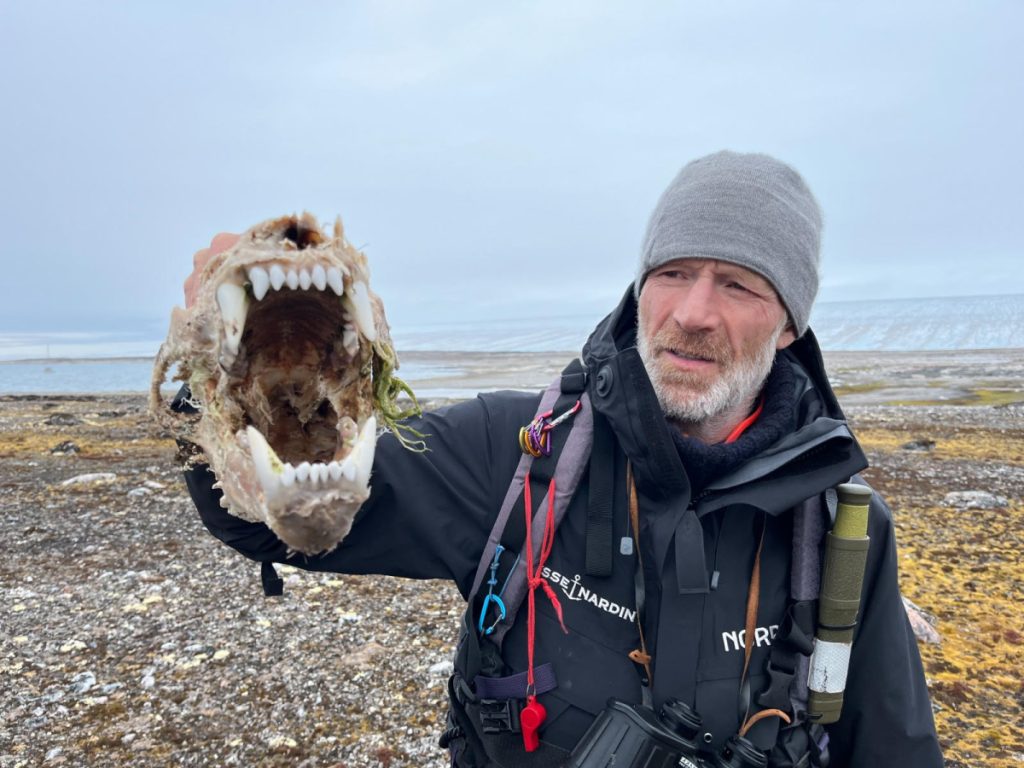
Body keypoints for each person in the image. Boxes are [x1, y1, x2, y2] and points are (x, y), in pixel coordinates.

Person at [180, 151, 943, 767]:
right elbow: (280, 518)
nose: (693, 313)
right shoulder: (515, 452)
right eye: (672, 273)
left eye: (739, 284)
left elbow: (895, 751)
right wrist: (216, 369)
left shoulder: (843, 539)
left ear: (788, 324)